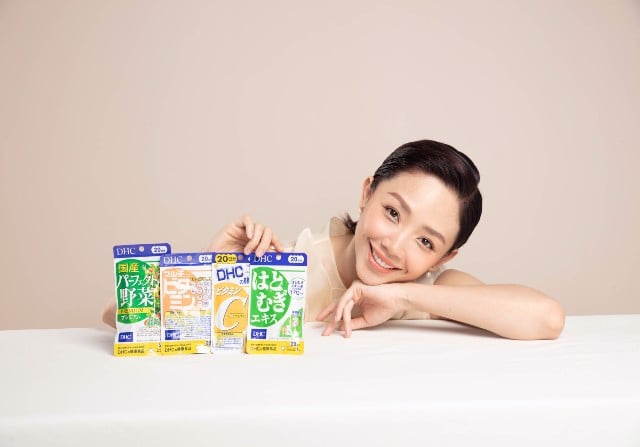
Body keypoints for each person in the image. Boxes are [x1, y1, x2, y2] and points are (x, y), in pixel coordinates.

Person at [103, 139, 565, 340]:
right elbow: (115, 314)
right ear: (366, 194)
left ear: (447, 255)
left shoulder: (433, 289)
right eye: (392, 213)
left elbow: (546, 318)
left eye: (426, 243)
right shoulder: (290, 270)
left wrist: (403, 295)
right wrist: (206, 273)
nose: (394, 246)